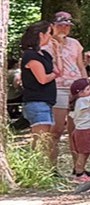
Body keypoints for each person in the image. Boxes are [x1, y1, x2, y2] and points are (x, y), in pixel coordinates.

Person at [46, 11, 83, 173]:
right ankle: (51, 168)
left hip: (76, 88)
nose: (64, 29)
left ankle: (78, 167)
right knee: (57, 130)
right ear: (53, 26)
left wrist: (84, 84)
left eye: (67, 26)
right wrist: (57, 45)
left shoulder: (75, 44)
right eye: (60, 25)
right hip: (57, 88)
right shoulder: (46, 44)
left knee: (76, 130)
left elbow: (80, 65)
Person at [18, 22, 57, 153]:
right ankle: (36, 168)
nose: (51, 37)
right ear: (41, 34)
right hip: (37, 102)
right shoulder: (30, 56)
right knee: (41, 139)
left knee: (46, 139)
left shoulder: (44, 55)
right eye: (49, 33)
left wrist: (57, 52)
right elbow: (43, 79)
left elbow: (58, 69)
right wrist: (54, 74)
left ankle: (43, 168)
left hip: (46, 101)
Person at [66, 77, 90, 181]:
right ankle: (79, 172)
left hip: (82, 130)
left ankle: (81, 169)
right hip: (83, 131)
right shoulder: (83, 100)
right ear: (80, 93)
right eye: (88, 89)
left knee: (85, 151)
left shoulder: (78, 102)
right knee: (83, 153)